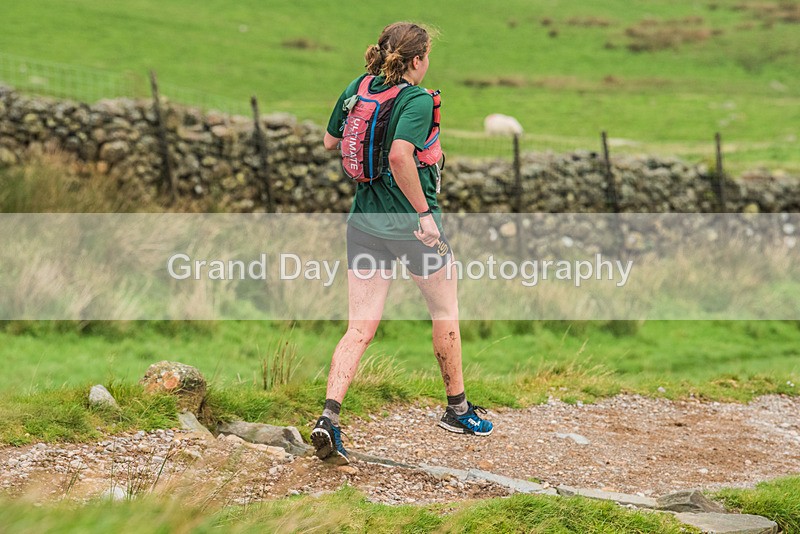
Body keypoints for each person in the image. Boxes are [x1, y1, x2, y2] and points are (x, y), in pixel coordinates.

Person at [311, 22, 493, 466]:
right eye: (427, 55)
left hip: (364, 225)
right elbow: (399, 156)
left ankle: (329, 418)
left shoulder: (360, 86)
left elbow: (330, 140)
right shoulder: (415, 98)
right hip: (413, 231)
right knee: (445, 311)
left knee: (359, 328)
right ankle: (458, 410)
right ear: (416, 60)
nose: (428, 62)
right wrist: (425, 216)